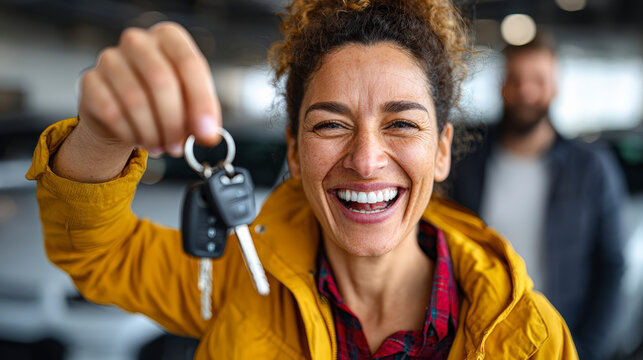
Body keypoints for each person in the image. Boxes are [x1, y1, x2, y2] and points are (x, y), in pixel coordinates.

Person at [27, 1, 578, 358]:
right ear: (294, 152)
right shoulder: (236, 282)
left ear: (441, 151)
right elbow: (98, 253)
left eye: (402, 123)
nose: (365, 160)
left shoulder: (530, 337)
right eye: (331, 124)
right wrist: (101, 137)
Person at [450, 33, 626, 360]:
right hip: (482, 340)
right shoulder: (467, 162)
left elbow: (612, 265)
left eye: (538, 80)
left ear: (555, 87)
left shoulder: (591, 168)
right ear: (502, 86)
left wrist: (586, 349)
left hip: (561, 341)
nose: (526, 91)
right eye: (516, 80)